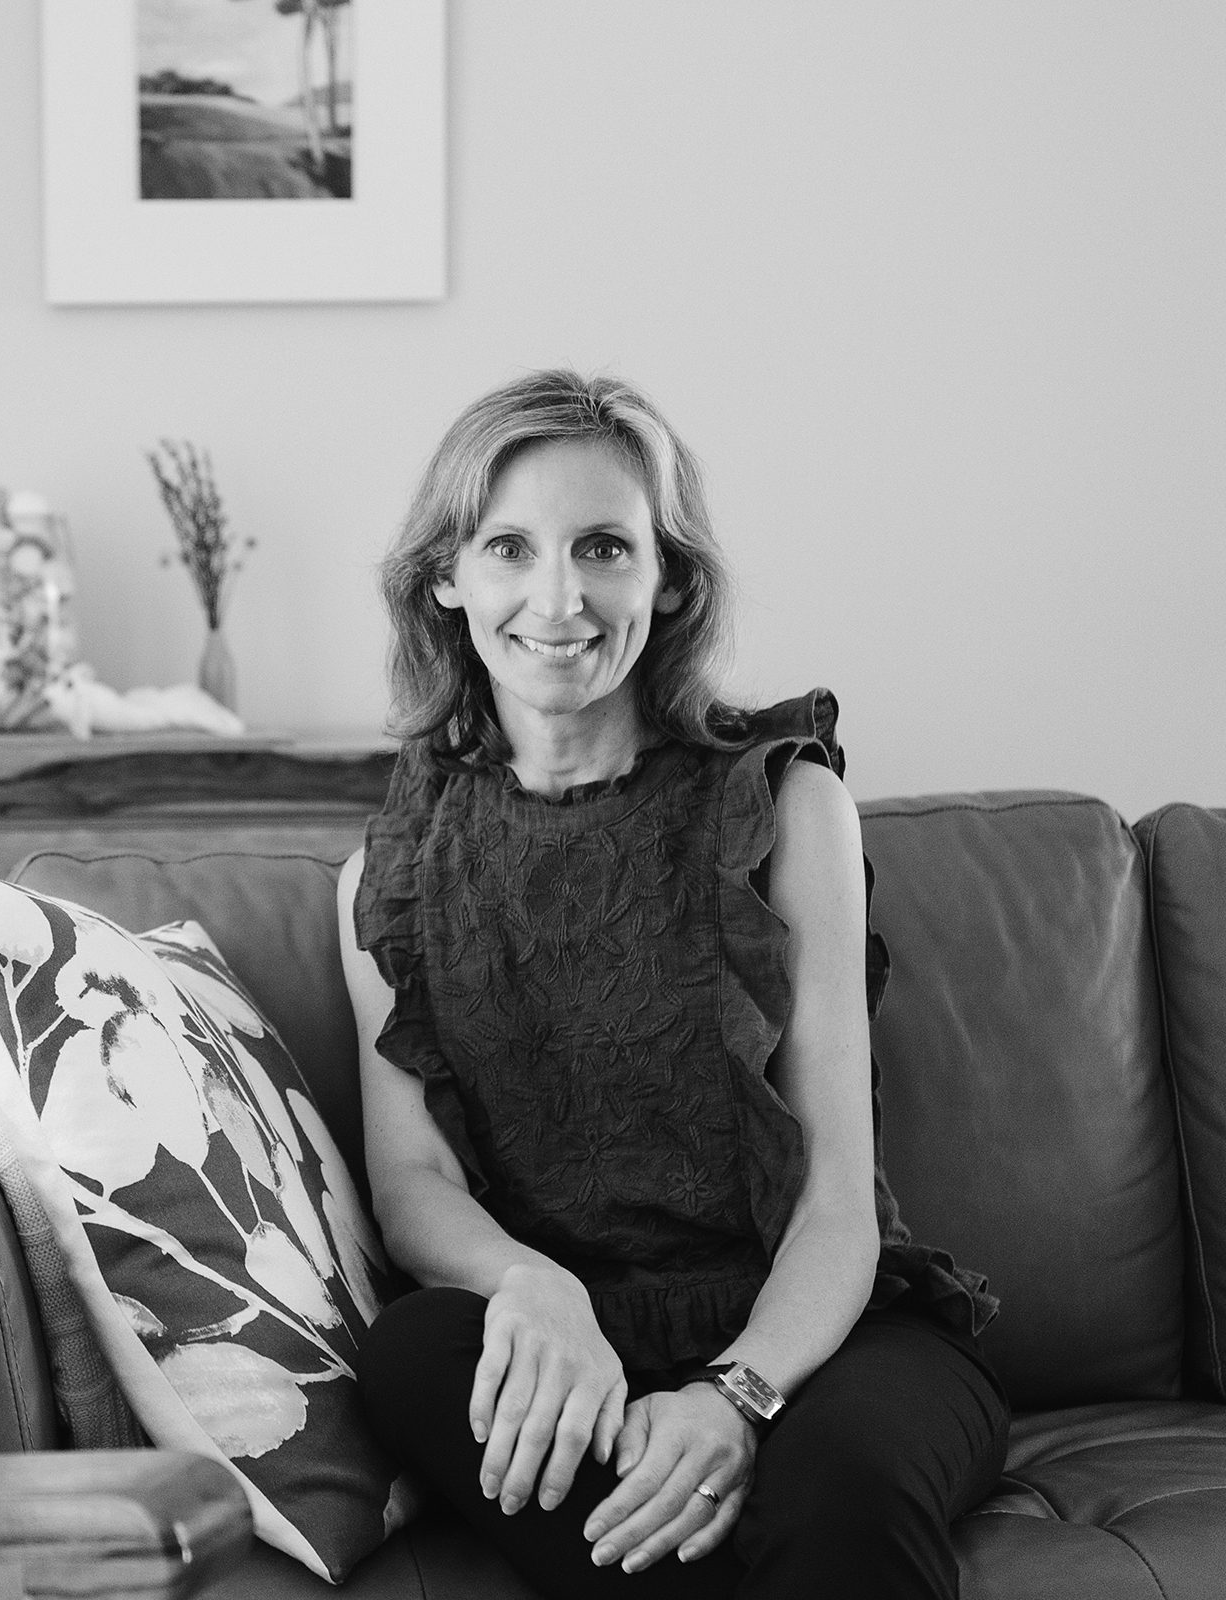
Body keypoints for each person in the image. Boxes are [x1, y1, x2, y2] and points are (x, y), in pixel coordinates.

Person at [339, 371, 1009, 1599]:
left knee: (838, 1493)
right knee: (412, 1351)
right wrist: (532, 1287)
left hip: (823, 1334)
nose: (559, 597)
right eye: (509, 548)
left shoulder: (785, 805)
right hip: (570, 1345)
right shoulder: (385, 874)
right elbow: (414, 1183)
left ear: (669, 579)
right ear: (446, 577)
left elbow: (834, 1201)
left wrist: (733, 1396)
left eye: (605, 547)